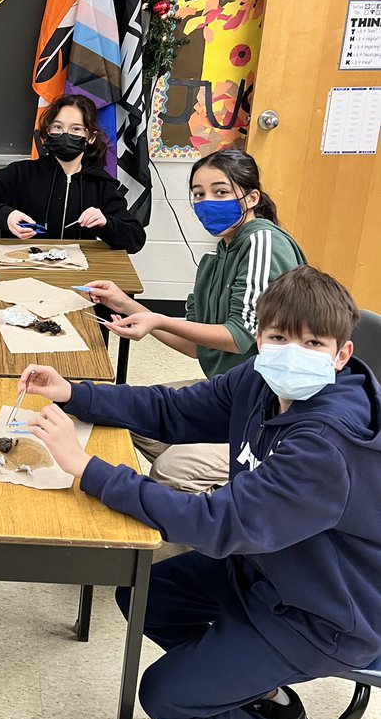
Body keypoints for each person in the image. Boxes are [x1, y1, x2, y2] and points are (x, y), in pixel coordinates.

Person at [19, 265, 381, 719]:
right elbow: (174, 411)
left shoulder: (326, 447)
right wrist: (77, 394)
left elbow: (215, 525)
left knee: (166, 697)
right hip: (267, 569)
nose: (291, 352)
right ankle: (269, 695)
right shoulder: (261, 380)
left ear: (341, 353)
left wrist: (87, 468)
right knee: (143, 597)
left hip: (328, 615)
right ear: (259, 338)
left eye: (313, 343)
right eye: (279, 338)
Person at [86, 149, 305, 493]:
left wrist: (156, 319)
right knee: (126, 413)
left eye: (221, 192)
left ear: (251, 198)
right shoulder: (219, 255)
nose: (207, 202)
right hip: (233, 392)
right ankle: (219, 467)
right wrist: (127, 305)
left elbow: (238, 336)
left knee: (171, 471)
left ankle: (252, 495)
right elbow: (195, 346)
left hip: (273, 406)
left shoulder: (262, 241)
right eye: (199, 194)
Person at [0, 92, 146, 251]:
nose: (65, 135)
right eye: (57, 127)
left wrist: (106, 224)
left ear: (90, 137)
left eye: (76, 129)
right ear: (47, 133)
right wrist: (6, 216)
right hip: (24, 271)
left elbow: (136, 239)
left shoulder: (101, 184)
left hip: (78, 276)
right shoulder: (22, 173)